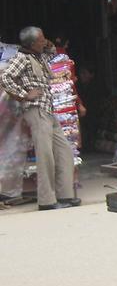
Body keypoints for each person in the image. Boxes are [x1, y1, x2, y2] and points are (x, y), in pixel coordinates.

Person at [0, 27, 80, 210]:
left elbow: (52, 52)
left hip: (48, 110)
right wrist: (24, 94)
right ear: (31, 43)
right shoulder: (22, 58)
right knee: (45, 156)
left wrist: (48, 44)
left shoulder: (39, 56)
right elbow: (6, 79)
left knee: (65, 152)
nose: (44, 41)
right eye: (41, 39)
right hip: (36, 110)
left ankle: (66, 195)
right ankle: (47, 201)